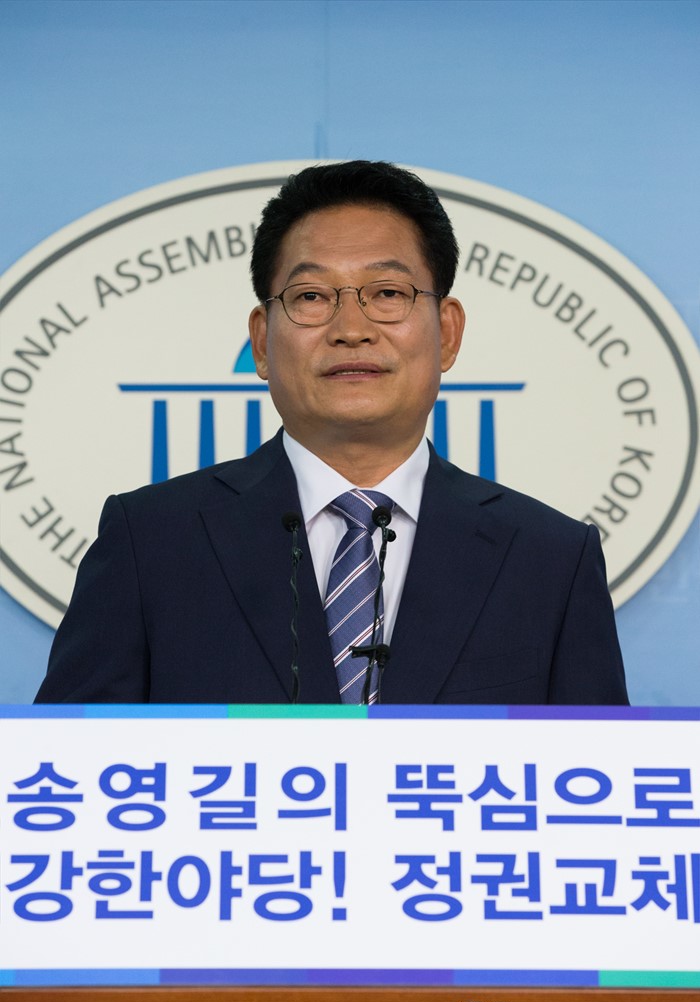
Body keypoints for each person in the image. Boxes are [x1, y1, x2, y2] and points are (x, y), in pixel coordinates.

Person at [35, 160, 628, 705]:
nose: (351, 328)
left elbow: (599, 775)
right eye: (312, 296)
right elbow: (66, 767)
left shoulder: (550, 559)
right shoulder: (151, 542)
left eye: (388, 293)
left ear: (447, 333)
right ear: (261, 341)